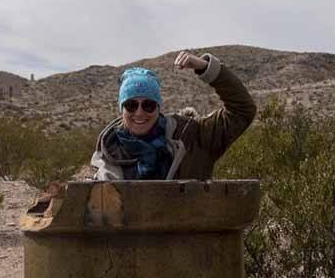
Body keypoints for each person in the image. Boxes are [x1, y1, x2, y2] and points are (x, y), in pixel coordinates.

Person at [90, 50, 256, 181]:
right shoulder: (106, 156)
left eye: (148, 105)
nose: (139, 112)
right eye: (131, 105)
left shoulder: (193, 137)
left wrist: (205, 67)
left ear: (158, 106)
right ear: (122, 108)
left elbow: (242, 110)